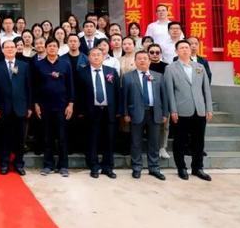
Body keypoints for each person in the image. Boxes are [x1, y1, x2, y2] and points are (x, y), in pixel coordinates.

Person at [164, 40, 213, 181]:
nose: (185, 50)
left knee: (199, 141)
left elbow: (206, 89)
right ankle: (181, 168)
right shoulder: (170, 68)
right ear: (176, 51)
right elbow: (169, 92)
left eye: (187, 47)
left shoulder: (199, 67)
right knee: (180, 141)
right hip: (181, 110)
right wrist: (173, 110)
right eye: (182, 48)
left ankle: (198, 168)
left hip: (199, 110)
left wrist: (208, 108)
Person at [122, 50, 168, 180]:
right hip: (135, 113)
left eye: (145, 58)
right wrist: (125, 113)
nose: (142, 60)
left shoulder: (158, 76)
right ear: (135, 61)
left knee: (154, 142)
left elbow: (164, 96)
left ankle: (154, 168)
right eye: (139, 58)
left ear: (149, 61)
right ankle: (137, 167)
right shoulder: (128, 77)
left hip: (155, 113)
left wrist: (165, 113)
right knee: (136, 142)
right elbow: (124, 97)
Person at [76, 47, 121, 179]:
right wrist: (81, 111)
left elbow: (118, 91)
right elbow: (79, 94)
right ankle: (94, 166)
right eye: (93, 55)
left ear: (103, 57)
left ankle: (108, 167)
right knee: (92, 139)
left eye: (98, 55)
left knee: (109, 139)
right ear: (88, 57)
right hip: (91, 111)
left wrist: (119, 110)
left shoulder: (111, 71)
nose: (96, 57)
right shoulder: (82, 73)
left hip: (109, 110)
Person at [0, 40, 32, 175]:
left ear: (16, 49)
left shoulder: (24, 66)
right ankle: (4, 163)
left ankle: (19, 164)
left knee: (20, 138)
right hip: (4, 107)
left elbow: (28, 87)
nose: (10, 49)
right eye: (7, 47)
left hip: (21, 107)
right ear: (2, 50)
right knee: (5, 138)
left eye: (12, 47)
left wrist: (29, 106)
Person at [34, 38, 74, 177]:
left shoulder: (65, 64)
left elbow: (70, 85)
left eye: (54, 46)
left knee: (62, 137)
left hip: (62, 106)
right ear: (45, 48)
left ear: (58, 48)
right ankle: (48, 165)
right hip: (45, 106)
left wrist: (71, 103)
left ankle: (63, 166)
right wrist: (36, 104)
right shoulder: (39, 65)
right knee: (47, 137)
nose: (52, 48)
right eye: (49, 46)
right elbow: (35, 86)